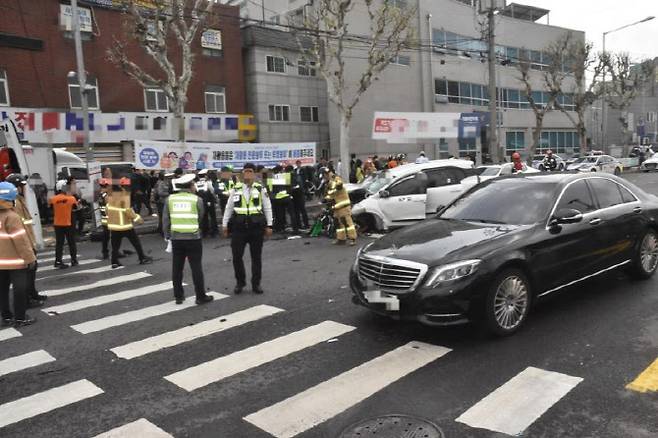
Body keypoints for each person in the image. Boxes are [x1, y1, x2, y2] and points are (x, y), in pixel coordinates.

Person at [222, 163, 273, 295]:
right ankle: (240, 282)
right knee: (236, 257)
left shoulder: (260, 188)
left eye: (250, 171)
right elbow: (229, 207)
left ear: (254, 173)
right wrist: (224, 225)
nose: (248, 174)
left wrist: (269, 225)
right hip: (239, 227)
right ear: (242, 173)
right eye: (246, 171)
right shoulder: (236, 188)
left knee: (256, 257)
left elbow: (267, 207)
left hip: (256, 227)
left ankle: (256, 284)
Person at [163, 174, 213, 305]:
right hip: (193, 238)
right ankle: (200, 296)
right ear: (190, 186)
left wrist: (167, 235)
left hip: (176, 238)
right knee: (196, 267)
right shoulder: (197, 199)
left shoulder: (170, 199)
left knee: (177, 268)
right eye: (193, 184)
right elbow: (201, 216)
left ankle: (179, 296)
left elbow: (166, 219)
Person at [5, 174, 46, 307]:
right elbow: (19, 227)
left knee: (31, 272)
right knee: (26, 274)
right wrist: (28, 246)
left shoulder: (19, 199)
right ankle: (27, 300)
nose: (23, 188)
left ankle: (32, 293)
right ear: (15, 187)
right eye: (21, 186)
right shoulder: (14, 203)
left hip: (28, 240)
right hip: (24, 242)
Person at [0, 181, 37, 326]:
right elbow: (21, 242)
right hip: (16, 262)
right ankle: (20, 317)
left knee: (2, 290)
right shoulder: (12, 217)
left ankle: (6, 316)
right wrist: (30, 259)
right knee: (19, 289)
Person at [107, 177, 153, 269]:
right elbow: (128, 211)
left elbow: (107, 209)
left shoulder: (110, 196)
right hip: (125, 225)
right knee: (136, 242)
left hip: (114, 226)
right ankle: (142, 257)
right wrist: (138, 219)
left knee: (115, 245)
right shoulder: (124, 195)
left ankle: (114, 261)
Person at [322, 167, 357, 246]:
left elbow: (339, 186)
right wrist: (326, 199)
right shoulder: (328, 182)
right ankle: (341, 239)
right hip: (336, 206)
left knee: (347, 223)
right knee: (338, 223)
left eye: (324, 175)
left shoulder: (335, 179)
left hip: (343, 205)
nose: (323, 178)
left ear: (326, 174)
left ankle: (353, 239)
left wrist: (330, 192)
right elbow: (331, 194)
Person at [49, 180, 79, 269]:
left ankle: (58, 261)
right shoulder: (71, 198)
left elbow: (51, 209)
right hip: (68, 223)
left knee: (59, 243)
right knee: (71, 242)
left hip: (57, 224)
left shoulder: (53, 199)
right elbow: (76, 208)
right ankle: (74, 260)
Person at [268, 165, 298, 234]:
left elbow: (270, 190)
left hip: (277, 199)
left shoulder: (271, 178)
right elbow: (290, 187)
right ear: (281, 170)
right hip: (286, 197)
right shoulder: (285, 176)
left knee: (280, 214)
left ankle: (281, 228)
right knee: (292, 213)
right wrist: (289, 193)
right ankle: (295, 229)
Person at [195, 169, 219, 237]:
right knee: (212, 216)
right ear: (205, 175)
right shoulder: (208, 182)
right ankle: (214, 231)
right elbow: (212, 191)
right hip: (209, 201)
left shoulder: (196, 183)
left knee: (204, 217)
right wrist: (215, 199)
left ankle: (204, 232)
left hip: (200, 202)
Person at [292, 160, 310, 230]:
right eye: (297, 163)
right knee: (297, 210)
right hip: (296, 193)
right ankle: (299, 224)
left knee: (302, 209)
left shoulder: (303, 170)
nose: (298, 164)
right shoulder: (295, 170)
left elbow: (305, 178)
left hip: (301, 191)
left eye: (299, 163)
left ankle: (306, 224)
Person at [97, 178, 112, 259]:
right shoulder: (106, 195)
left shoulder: (100, 194)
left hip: (103, 218)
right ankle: (108, 252)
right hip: (108, 218)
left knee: (106, 236)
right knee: (111, 236)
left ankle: (105, 252)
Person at [153, 172, 170, 236]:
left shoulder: (160, 182)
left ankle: (160, 229)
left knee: (161, 216)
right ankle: (163, 231)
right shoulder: (161, 183)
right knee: (163, 216)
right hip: (161, 202)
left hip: (160, 201)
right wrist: (170, 193)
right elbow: (160, 193)